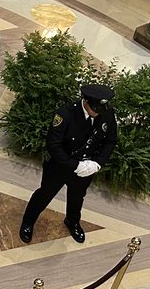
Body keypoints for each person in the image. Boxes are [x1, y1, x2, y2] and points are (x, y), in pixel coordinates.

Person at [19, 84, 117, 244]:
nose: (97, 114)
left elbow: (110, 140)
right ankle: (28, 221)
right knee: (44, 194)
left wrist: (97, 163)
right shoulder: (65, 114)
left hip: (87, 168)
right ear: (85, 101)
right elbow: (53, 145)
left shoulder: (106, 114)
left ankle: (72, 221)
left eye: (100, 110)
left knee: (77, 197)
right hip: (60, 166)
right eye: (95, 110)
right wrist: (74, 165)